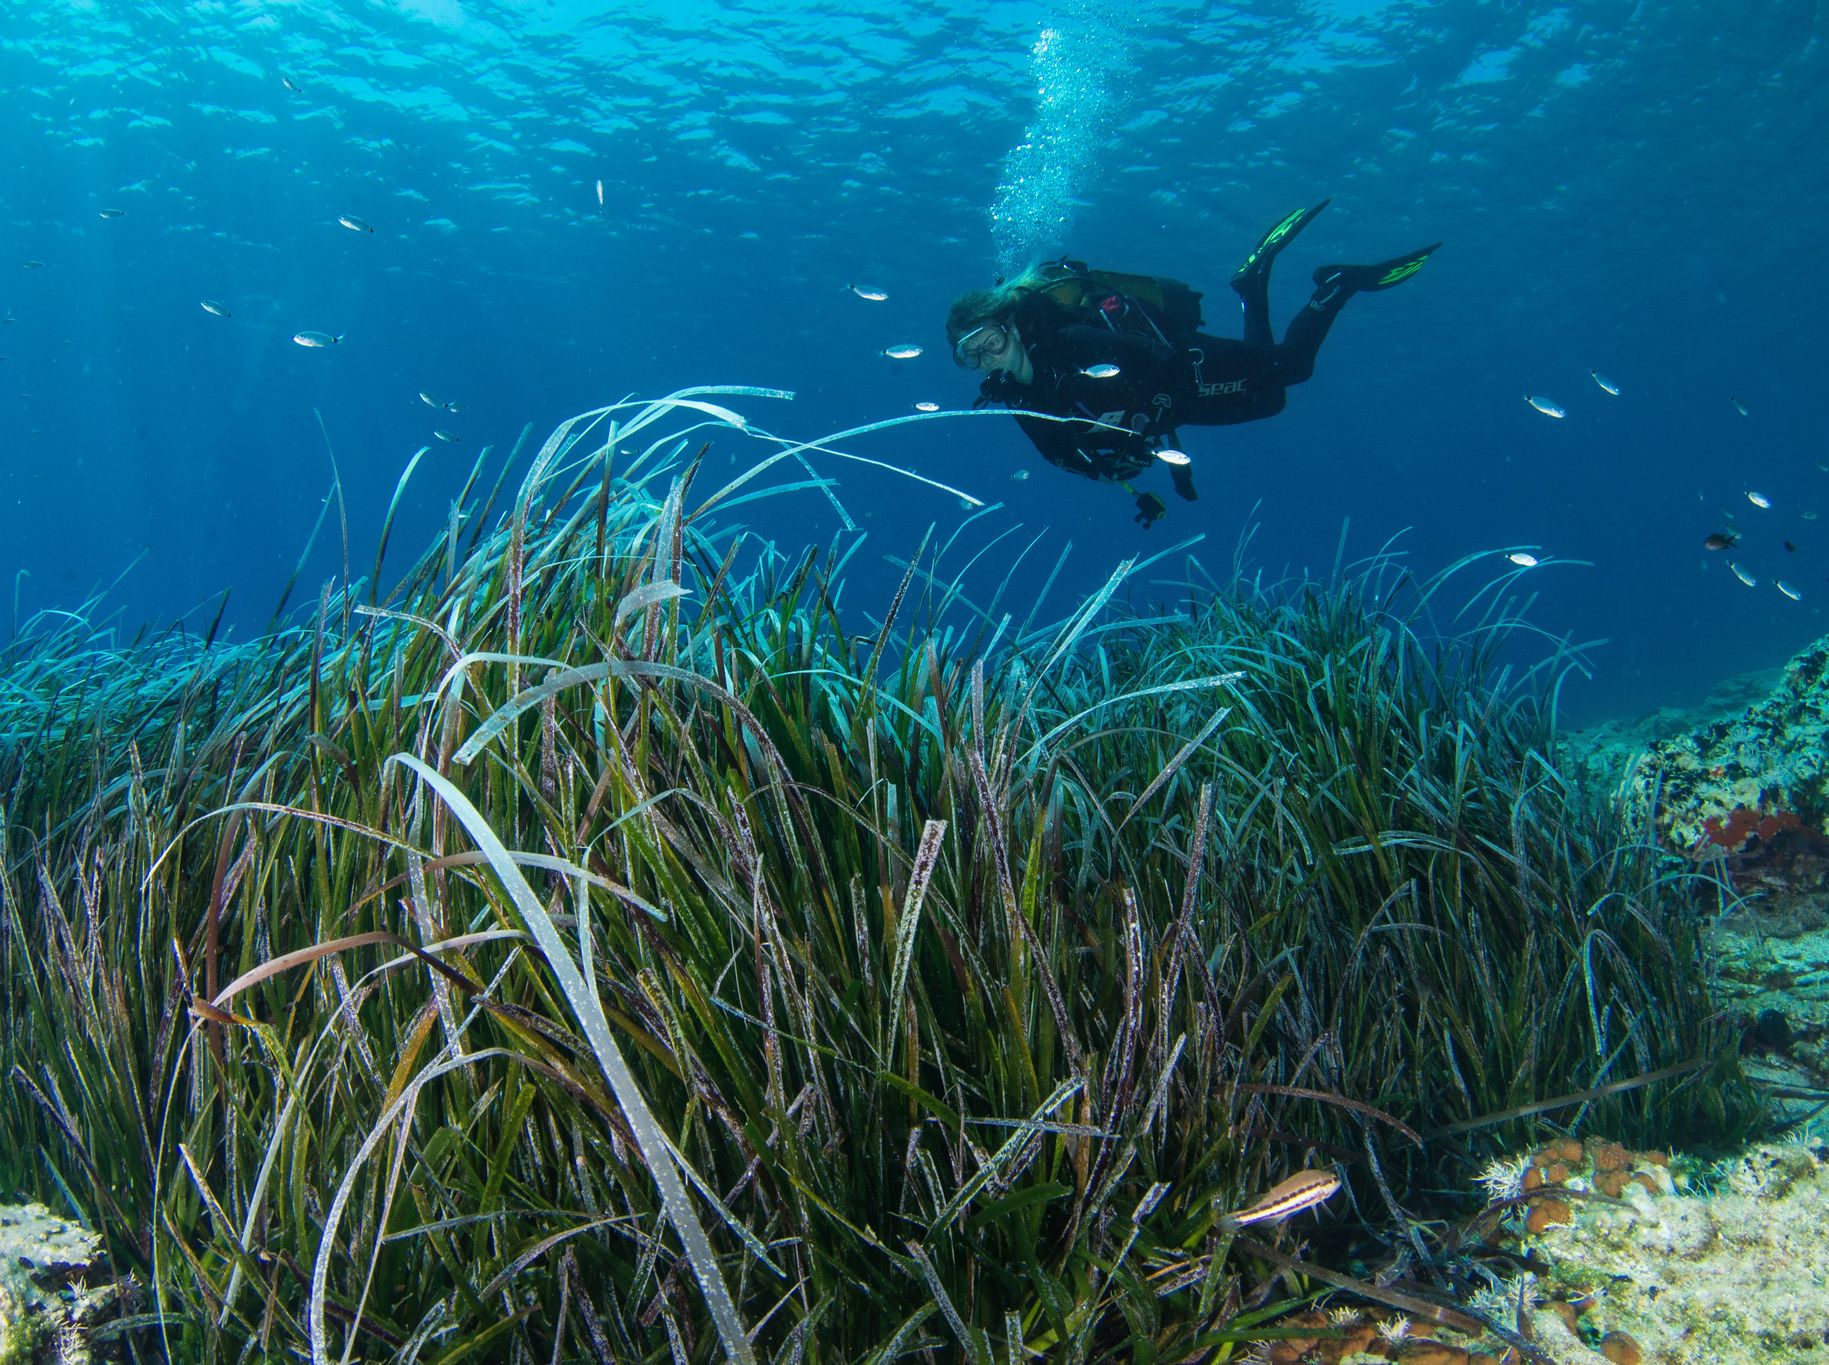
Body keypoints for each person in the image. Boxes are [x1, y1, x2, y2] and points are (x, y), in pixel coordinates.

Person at [946, 200, 1439, 527]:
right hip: (1174, 409)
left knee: (1293, 368)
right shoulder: (1019, 396)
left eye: (990, 339)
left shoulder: (1069, 342)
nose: (988, 356)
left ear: (1011, 325)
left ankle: (1336, 285)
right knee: (1271, 399)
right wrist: (1111, 470)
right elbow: (1054, 450)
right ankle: (1251, 287)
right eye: (972, 354)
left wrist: (1149, 407)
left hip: (1188, 370)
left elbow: (1151, 356)